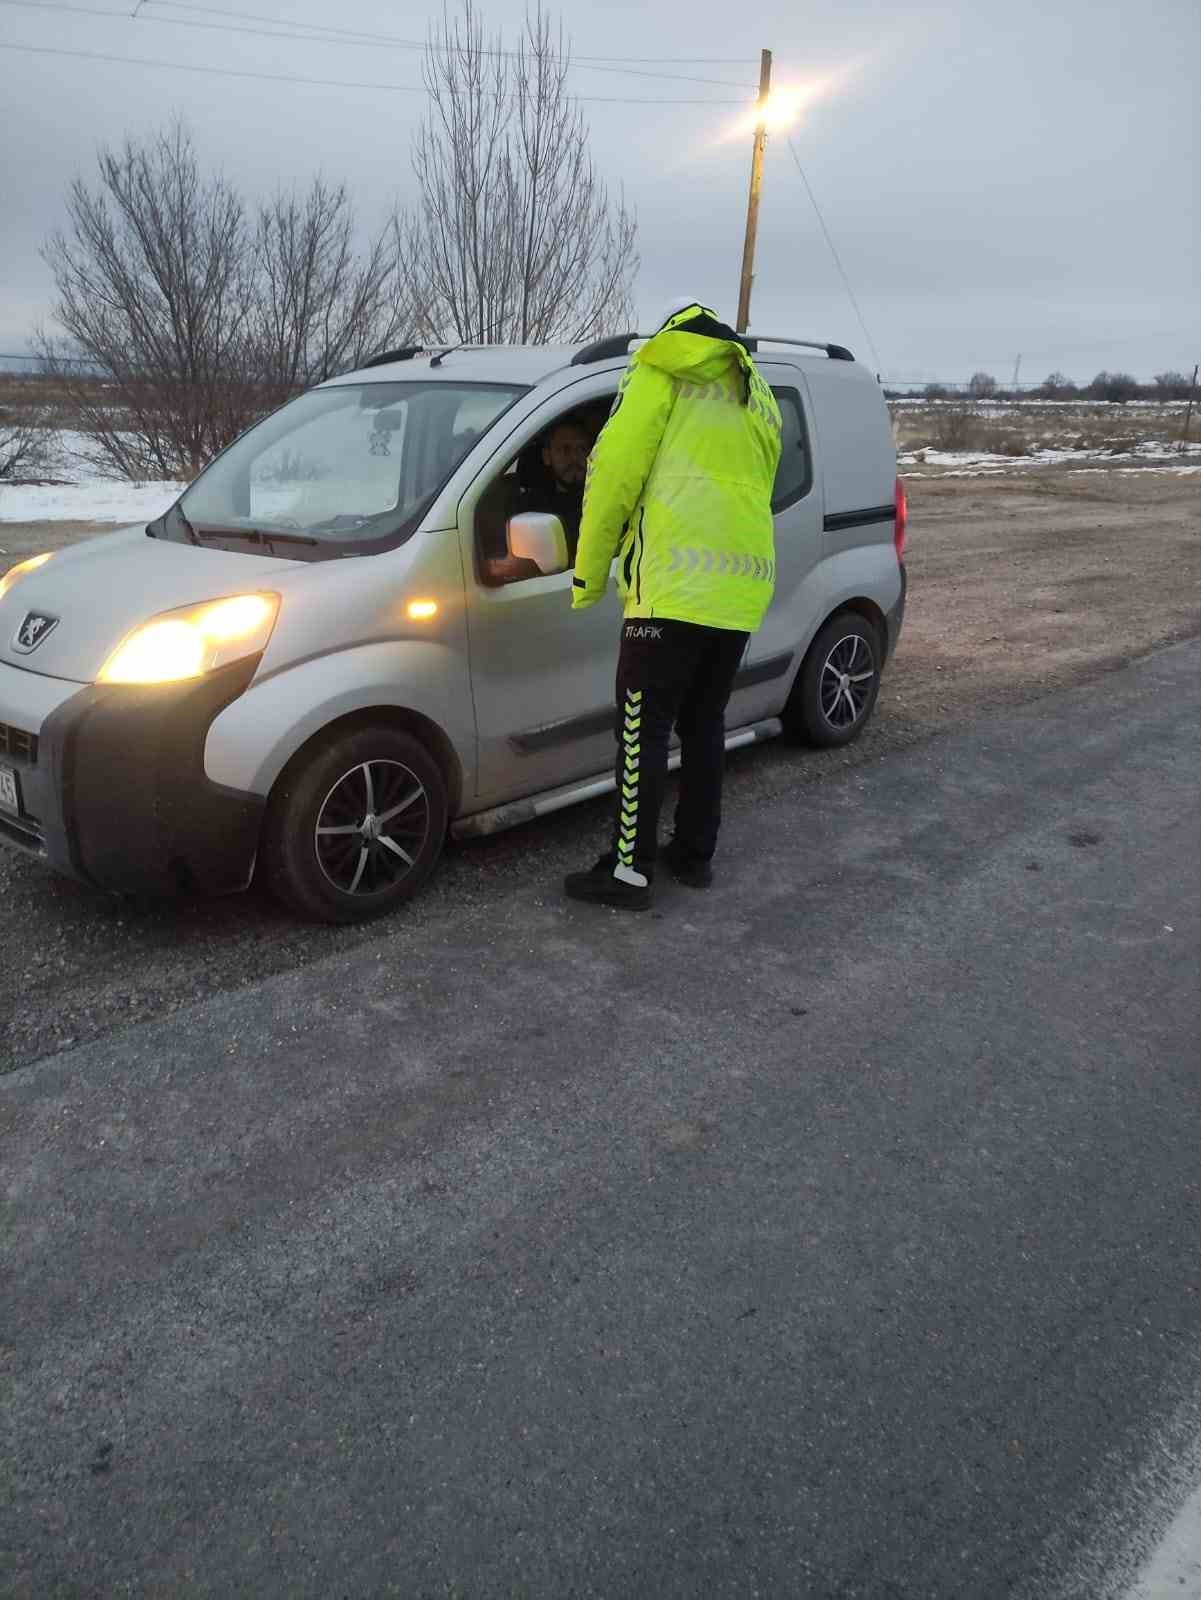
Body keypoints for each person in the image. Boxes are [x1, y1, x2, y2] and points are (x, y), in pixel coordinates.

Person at [563, 299, 782, 911]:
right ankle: (693, 854)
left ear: (671, 335)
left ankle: (628, 872)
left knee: (642, 729)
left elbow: (612, 472)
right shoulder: (757, 391)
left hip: (672, 585)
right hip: (740, 588)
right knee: (705, 721)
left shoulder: (660, 368)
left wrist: (588, 576)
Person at [482, 418, 592, 585]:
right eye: (564, 449)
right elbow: (506, 565)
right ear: (547, 456)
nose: (574, 457)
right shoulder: (526, 507)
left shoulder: (605, 497)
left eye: (581, 449)